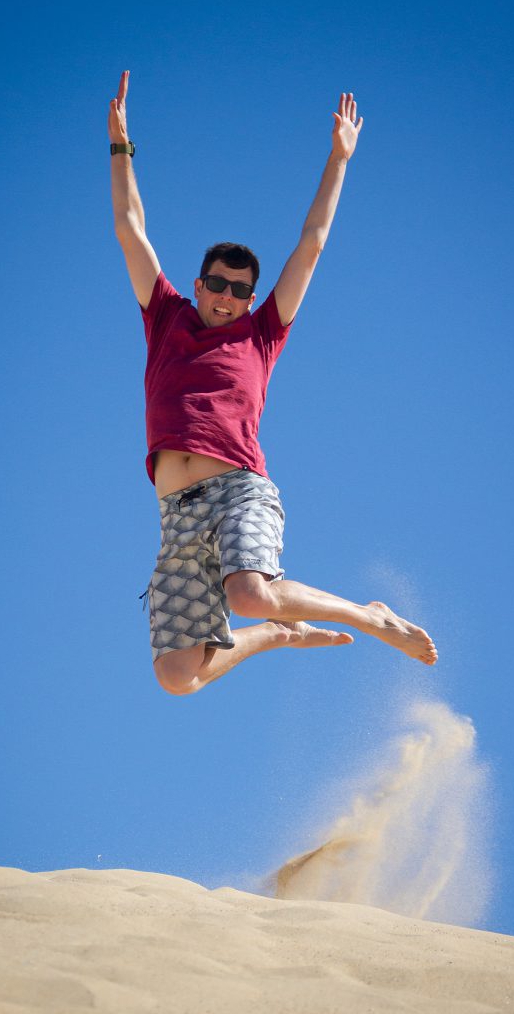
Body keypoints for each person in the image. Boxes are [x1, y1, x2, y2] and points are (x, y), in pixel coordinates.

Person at [108, 71, 437, 695]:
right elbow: (131, 229)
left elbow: (311, 244)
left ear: (250, 297)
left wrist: (339, 159)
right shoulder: (166, 317)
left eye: (240, 290)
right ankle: (275, 636)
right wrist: (121, 148)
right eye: (218, 285)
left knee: (252, 592)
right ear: (198, 284)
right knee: (177, 678)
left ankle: (370, 616)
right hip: (174, 517)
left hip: (237, 489)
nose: (227, 298)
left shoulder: (262, 333)